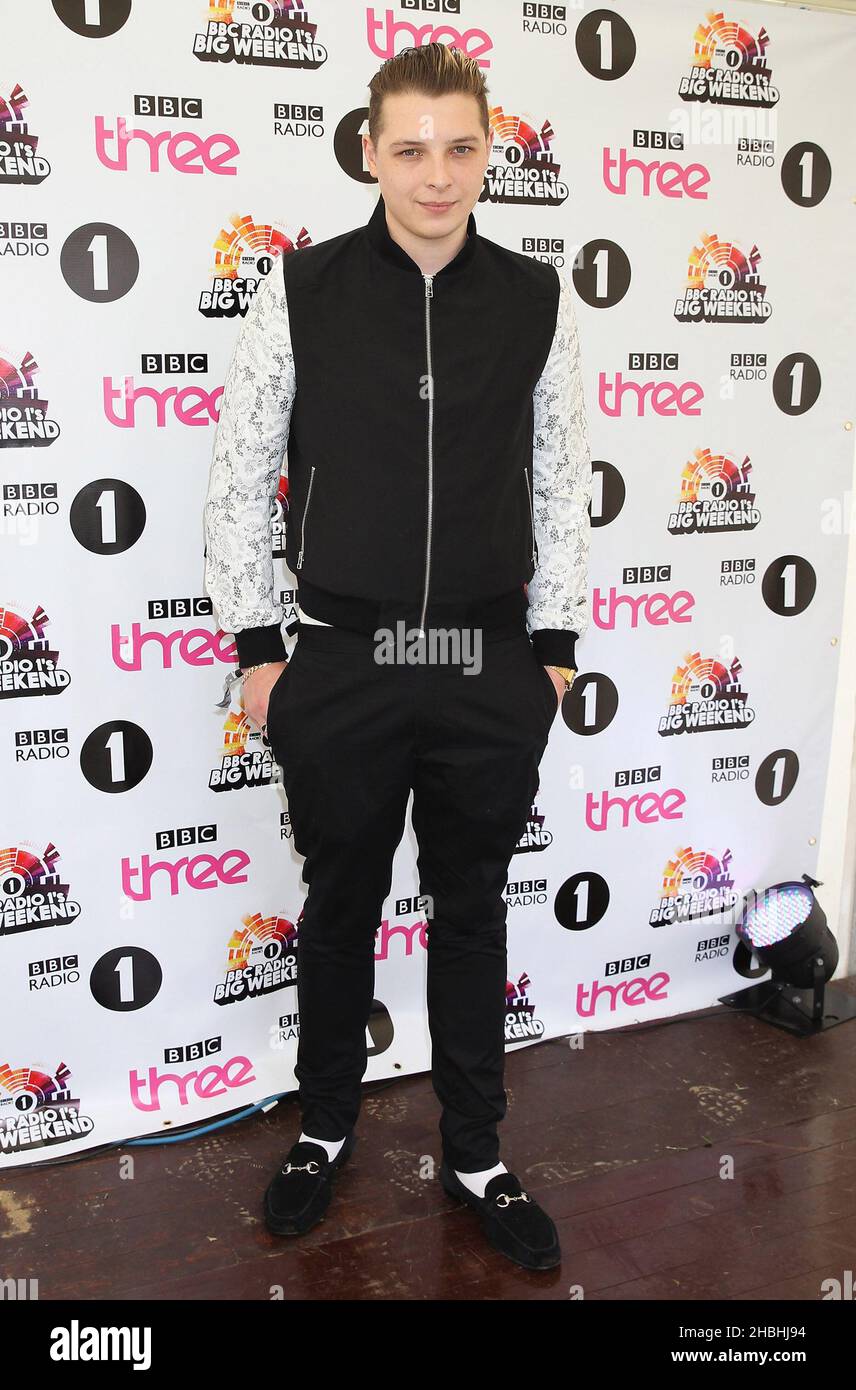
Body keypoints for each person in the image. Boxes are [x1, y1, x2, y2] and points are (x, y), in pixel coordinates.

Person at [203, 42, 591, 1273]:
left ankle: (476, 1149)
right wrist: (263, 651)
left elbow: (561, 482)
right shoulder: (299, 288)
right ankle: (323, 1128)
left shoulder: (537, 299)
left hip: (484, 662)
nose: (438, 174)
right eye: (411, 148)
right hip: (344, 661)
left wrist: (554, 654)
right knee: (339, 908)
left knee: (472, 911)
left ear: (492, 153)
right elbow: (237, 470)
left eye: (462, 148)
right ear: (369, 151)